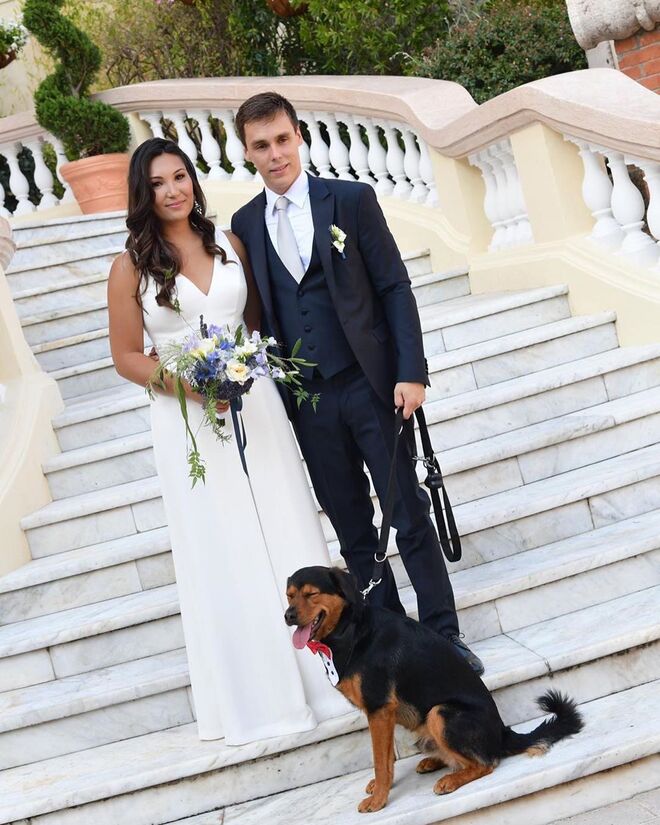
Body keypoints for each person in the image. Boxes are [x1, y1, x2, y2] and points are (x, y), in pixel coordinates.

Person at [107, 137, 350, 745]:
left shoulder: (230, 243)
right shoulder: (130, 267)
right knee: (224, 541)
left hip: (254, 402)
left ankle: (325, 676)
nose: (173, 190)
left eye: (180, 176)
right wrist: (192, 388)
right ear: (142, 194)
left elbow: (256, 322)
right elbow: (126, 356)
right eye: (158, 183)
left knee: (285, 520)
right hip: (188, 418)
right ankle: (260, 697)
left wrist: (243, 371)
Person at [231, 92, 483, 675]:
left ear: (299, 137)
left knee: (408, 514)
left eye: (282, 139)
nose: (275, 154)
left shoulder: (351, 199)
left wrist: (410, 371)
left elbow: (394, 286)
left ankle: (444, 636)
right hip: (310, 403)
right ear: (246, 152)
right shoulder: (244, 225)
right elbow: (257, 317)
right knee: (351, 528)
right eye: (261, 145)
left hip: (372, 386)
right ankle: (389, 644)